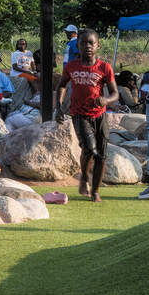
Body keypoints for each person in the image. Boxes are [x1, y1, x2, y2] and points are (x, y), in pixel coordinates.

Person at [55, 29, 116, 203]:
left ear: (98, 46)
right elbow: (61, 85)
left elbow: (115, 93)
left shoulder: (104, 67)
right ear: (78, 46)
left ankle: (95, 191)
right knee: (90, 148)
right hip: (79, 114)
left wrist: (105, 100)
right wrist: (58, 107)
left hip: (100, 115)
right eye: (83, 43)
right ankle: (84, 177)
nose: (87, 46)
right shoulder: (71, 67)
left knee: (101, 155)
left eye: (91, 43)